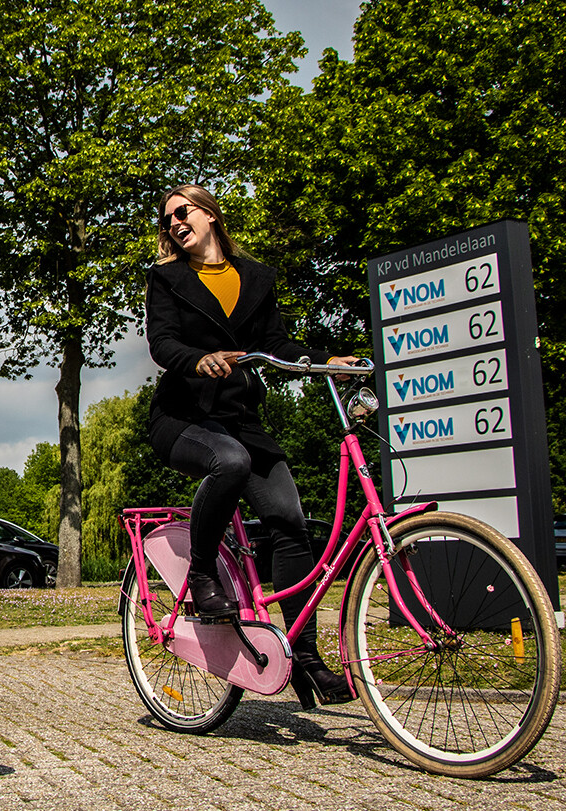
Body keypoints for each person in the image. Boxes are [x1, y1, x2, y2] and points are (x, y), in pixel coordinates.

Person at [144, 183, 357, 707]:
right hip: (183, 416)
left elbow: (275, 344)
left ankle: (305, 661)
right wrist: (198, 359)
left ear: (210, 215)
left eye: (183, 212)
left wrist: (325, 361)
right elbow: (162, 343)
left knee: (289, 523)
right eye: (168, 219)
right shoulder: (166, 278)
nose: (175, 223)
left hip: (239, 416)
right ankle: (201, 575)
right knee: (230, 462)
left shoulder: (257, 277)